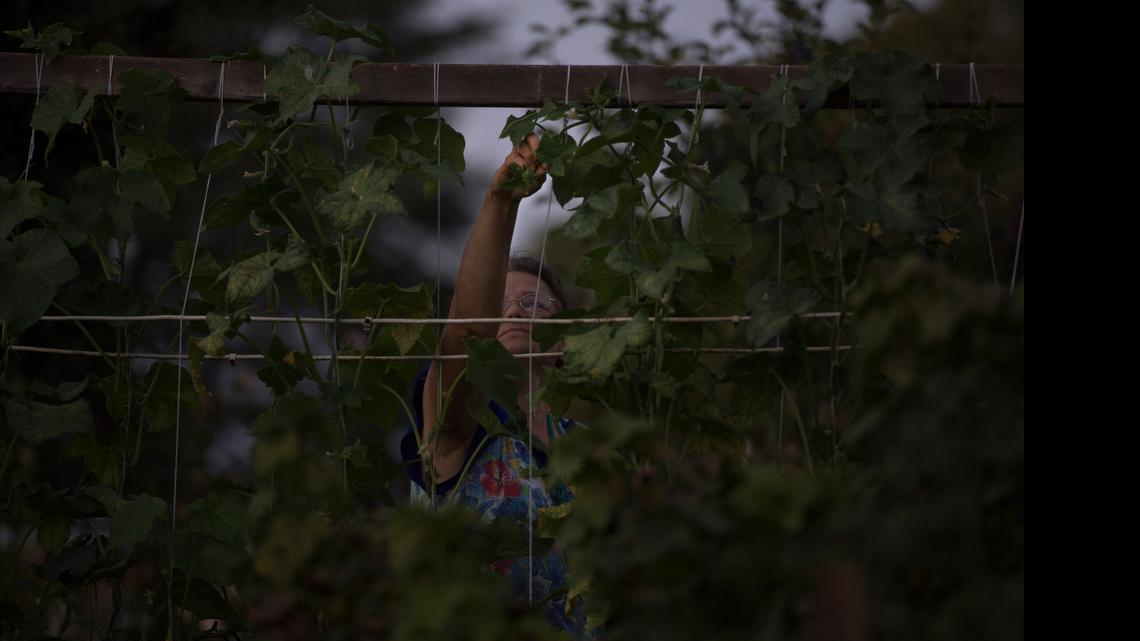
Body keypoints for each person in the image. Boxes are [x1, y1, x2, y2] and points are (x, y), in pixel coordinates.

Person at [399, 134, 590, 637]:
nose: (511, 314)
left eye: (531, 306)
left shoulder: (591, 447)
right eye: (499, 303)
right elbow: (467, 334)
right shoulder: (463, 425)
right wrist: (500, 203)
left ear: (563, 345)